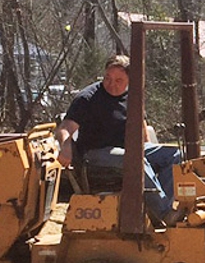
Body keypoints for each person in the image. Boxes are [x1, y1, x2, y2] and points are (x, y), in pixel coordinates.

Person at [55, 54, 184, 226]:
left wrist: (146, 144)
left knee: (174, 155)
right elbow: (65, 128)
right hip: (95, 154)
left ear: (129, 80)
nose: (111, 84)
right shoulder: (87, 98)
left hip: (127, 149)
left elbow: (141, 124)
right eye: (108, 78)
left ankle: (158, 210)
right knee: (134, 159)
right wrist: (65, 146)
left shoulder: (133, 96)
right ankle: (163, 212)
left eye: (118, 80)